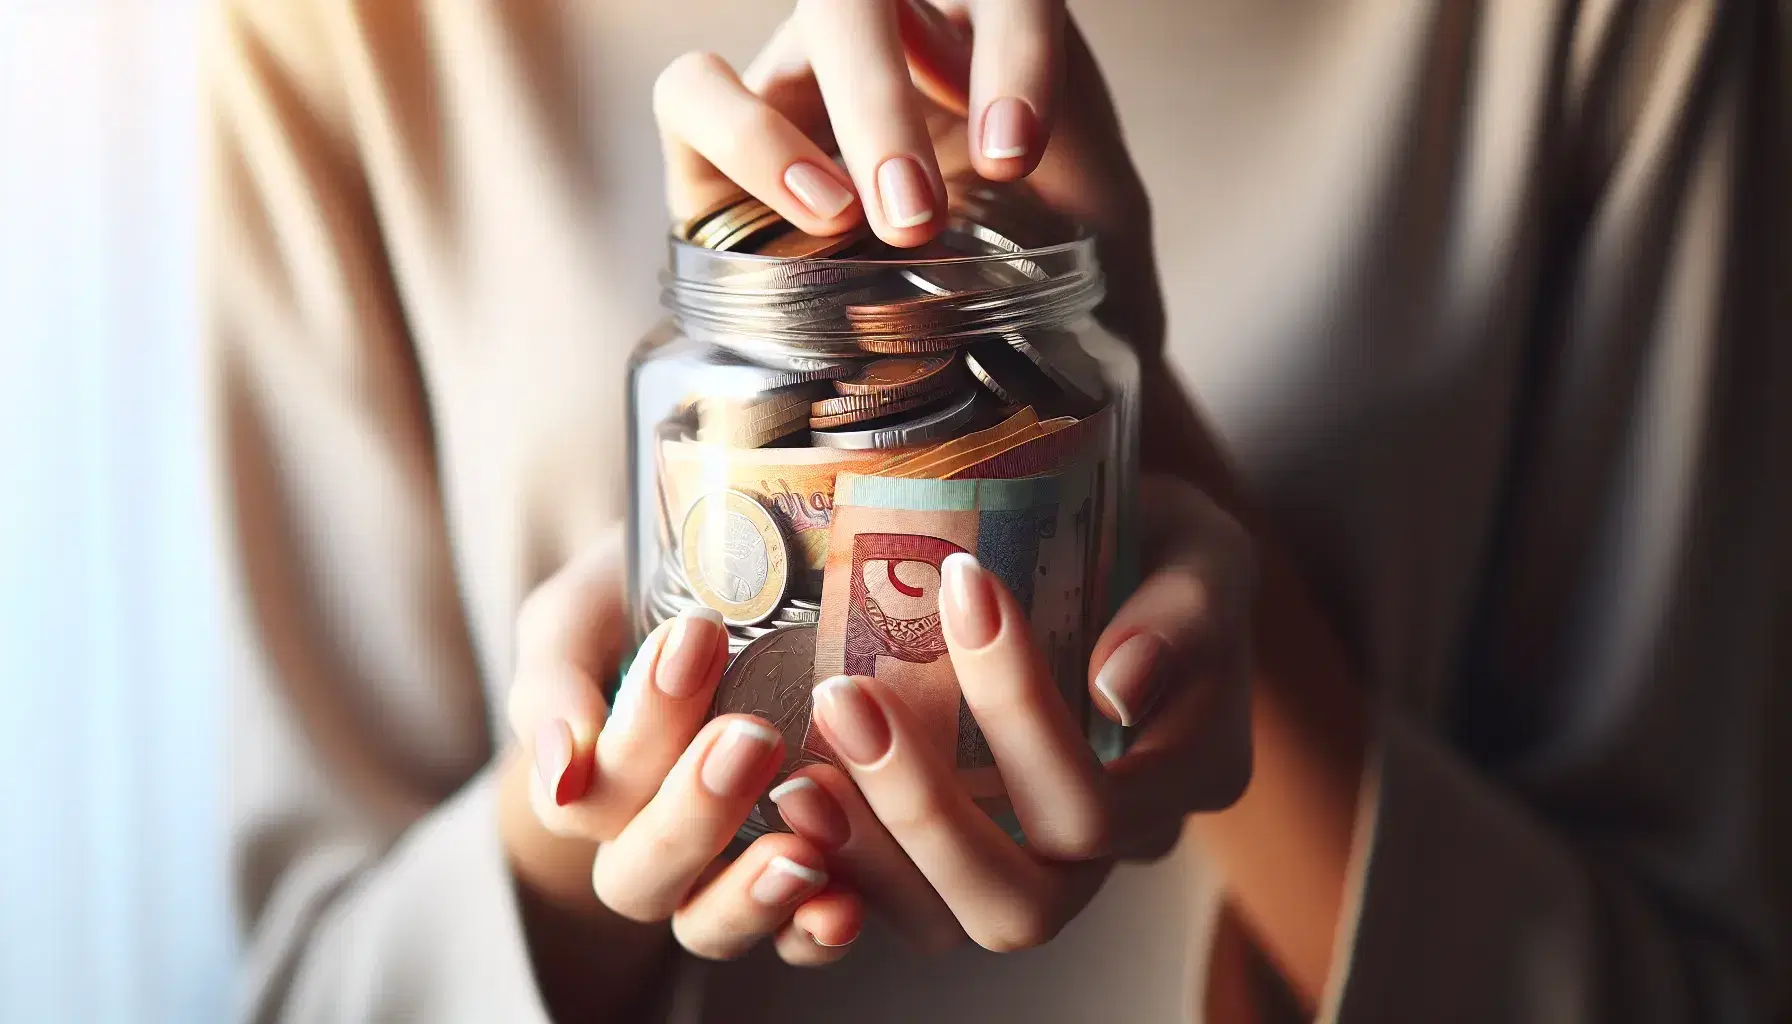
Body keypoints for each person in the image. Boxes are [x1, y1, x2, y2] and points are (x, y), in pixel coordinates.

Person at [205, 0, 1789, 1021]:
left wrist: (1128, 448)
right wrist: (575, 831)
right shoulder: (341, 30)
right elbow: (296, 990)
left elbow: (1705, 985)